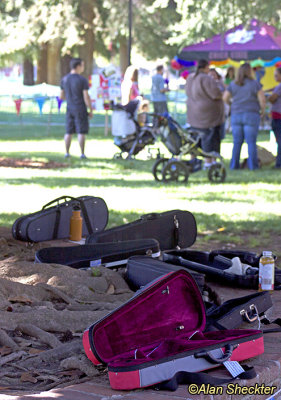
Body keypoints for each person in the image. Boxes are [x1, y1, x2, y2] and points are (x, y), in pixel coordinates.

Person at [223, 63, 266, 170]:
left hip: (236, 114)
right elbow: (262, 99)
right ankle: (253, 167)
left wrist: (231, 104)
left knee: (237, 142)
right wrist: (262, 110)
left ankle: (234, 166)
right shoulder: (255, 84)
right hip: (251, 114)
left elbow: (225, 98)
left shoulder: (233, 84)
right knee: (251, 142)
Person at [185, 59, 224, 168]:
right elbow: (215, 94)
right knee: (209, 138)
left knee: (194, 138)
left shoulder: (190, 77)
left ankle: (193, 159)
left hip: (192, 113)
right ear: (206, 67)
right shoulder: (206, 79)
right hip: (208, 115)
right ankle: (209, 162)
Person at [60, 57, 93, 159]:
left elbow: (61, 96)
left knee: (69, 131)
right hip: (80, 108)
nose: (83, 67)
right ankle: (82, 153)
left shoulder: (64, 79)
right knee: (81, 131)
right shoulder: (82, 80)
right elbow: (86, 96)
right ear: (78, 66)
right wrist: (90, 108)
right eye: (82, 65)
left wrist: (69, 99)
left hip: (69, 107)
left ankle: (67, 153)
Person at [268, 67, 281, 168]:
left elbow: (272, 99)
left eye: (276, 75)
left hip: (278, 117)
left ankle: (279, 163)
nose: (275, 77)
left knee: (279, 140)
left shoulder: (279, 87)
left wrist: (266, 96)